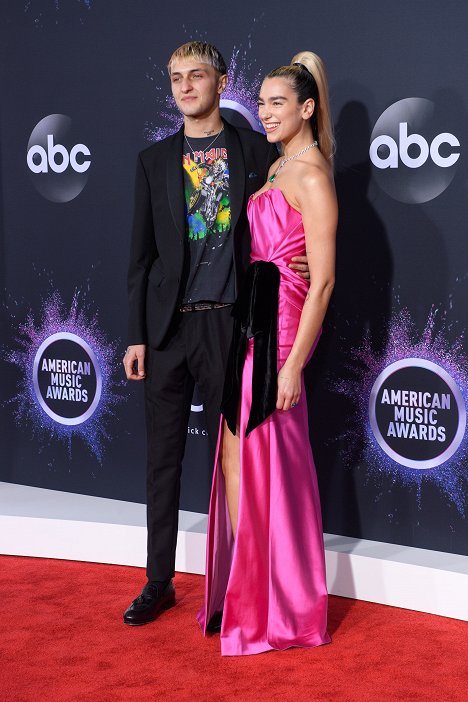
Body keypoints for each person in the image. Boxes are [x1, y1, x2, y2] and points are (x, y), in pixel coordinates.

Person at [122, 41, 310, 626]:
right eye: (175, 78)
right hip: (166, 331)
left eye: (195, 76)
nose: (184, 87)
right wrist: (135, 335)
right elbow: (140, 257)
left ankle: (238, 584)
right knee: (163, 460)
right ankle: (159, 582)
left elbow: (295, 213)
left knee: (237, 461)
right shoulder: (152, 161)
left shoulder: (259, 151)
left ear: (220, 81)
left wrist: (295, 259)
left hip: (232, 325)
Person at [198, 51, 337, 655]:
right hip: (247, 332)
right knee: (235, 463)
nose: (265, 112)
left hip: (278, 339)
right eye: (261, 103)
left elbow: (324, 280)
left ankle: (281, 605)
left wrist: (293, 366)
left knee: (273, 473)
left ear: (307, 108)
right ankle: (247, 590)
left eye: (278, 102)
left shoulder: (311, 175)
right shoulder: (278, 166)